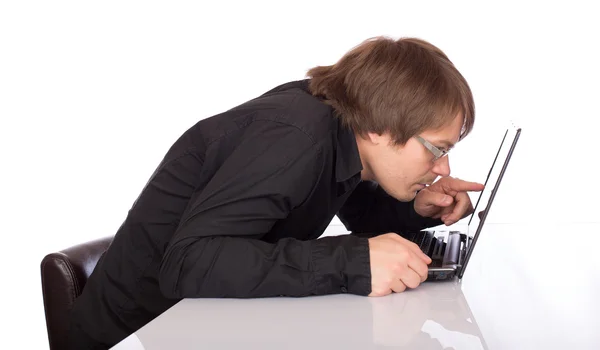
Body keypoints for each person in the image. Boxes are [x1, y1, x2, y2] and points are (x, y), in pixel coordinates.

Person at [68, 36, 484, 349]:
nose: (442, 167)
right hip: (141, 334)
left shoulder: (342, 130)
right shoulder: (296, 137)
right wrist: (351, 260)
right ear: (380, 127)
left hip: (212, 322)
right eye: (437, 149)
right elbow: (188, 264)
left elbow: (361, 216)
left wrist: (417, 210)